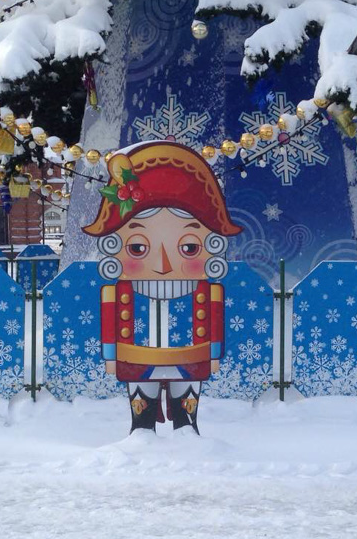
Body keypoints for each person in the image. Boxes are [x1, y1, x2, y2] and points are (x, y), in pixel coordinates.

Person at [84, 142, 243, 435]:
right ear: (114, 245)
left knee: (187, 406)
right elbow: (110, 325)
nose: (163, 264)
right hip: (136, 359)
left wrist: (214, 355)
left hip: (191, 359)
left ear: (212, 244)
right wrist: (110, 357)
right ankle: (141, 434)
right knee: (141, 406)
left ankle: (187, 433)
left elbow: (214, 323)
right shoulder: (118, 292)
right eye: (137, 247)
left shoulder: (208, 291)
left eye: (189, 247)